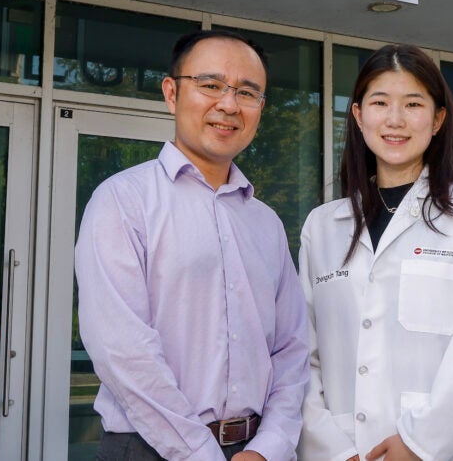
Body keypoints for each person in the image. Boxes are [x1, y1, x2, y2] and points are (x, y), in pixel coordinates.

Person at [75, 30, 309, 461]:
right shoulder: (124, 201)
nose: (228, 104)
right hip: (149, 448)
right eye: (211, 85)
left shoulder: (267, 223)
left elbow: (293, 349)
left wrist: (269, 447)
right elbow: (122, 349)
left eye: (247, 92)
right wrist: (200, 452)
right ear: (171, 92)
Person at [297, 44, 453, 461]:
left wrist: (419, 443)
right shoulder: (322, 227)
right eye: (380, 103)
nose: (395, 120)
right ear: (359, 116)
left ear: (437, 120)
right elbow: (303, 354)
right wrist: (333, 450)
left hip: (447, 448)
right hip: (348, 450)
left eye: (413, 104)